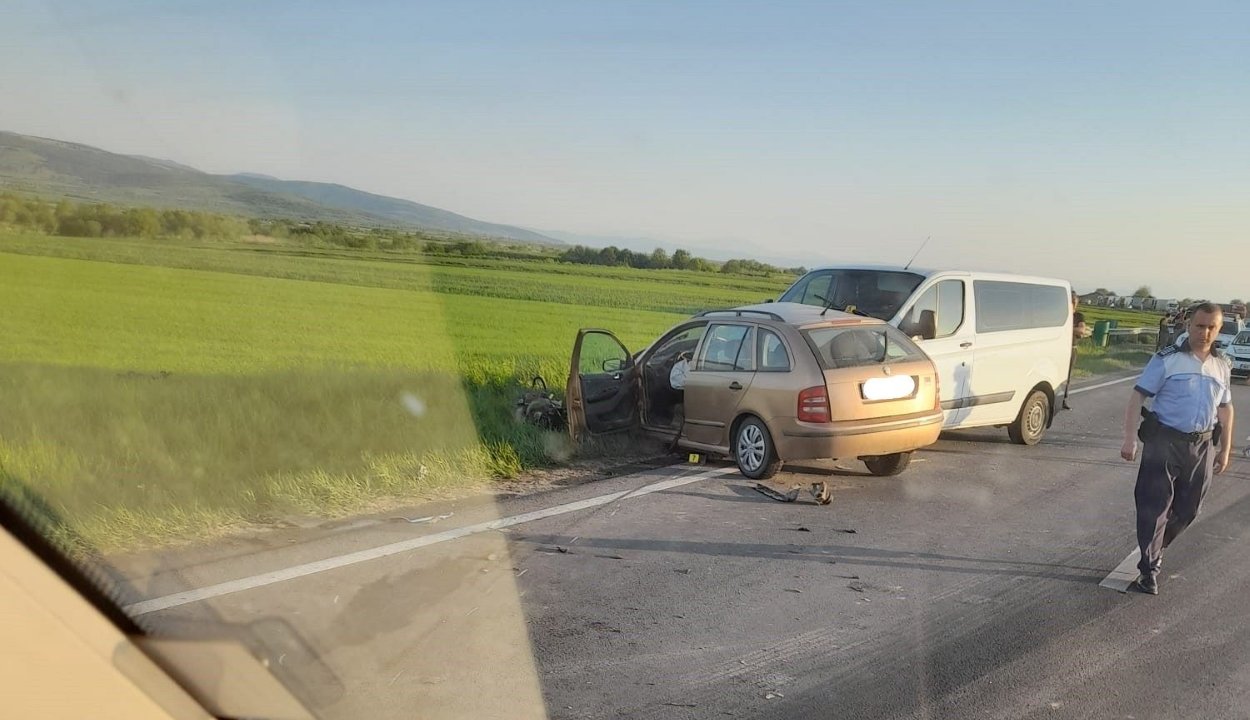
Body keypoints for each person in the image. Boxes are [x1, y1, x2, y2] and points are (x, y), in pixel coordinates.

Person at [1119, 302, 1235, 595]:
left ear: (1219, 330)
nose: (1205, 332)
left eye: (1211, 327)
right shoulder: (1167, 359)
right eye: (1199, 326)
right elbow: (1137, 397)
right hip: (1164, 441)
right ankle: (1149, 570)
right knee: (1154, 506)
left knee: (1189, 509)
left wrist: (1225, 449)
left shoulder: (1222, 365)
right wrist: (1130, 438)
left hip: (1202, 445)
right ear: (1188, 325)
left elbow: (1225, 408)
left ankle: (1156, 546)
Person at [1062, 291, 1089, 410]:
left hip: (1071, 349)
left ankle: (1064, 399)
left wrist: (1067, 328)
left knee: (1067, 376)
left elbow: (1082, 331)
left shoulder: (1078, 316)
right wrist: (1074, 329)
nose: (1074, 304)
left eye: (1075, 302)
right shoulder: (1062, 314)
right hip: (1060, 348)